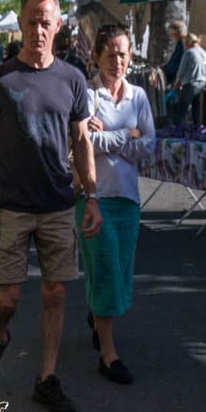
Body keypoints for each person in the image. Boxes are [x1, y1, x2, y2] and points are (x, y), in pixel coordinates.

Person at [0, 0, 102, 412]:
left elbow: (82, 140)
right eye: (31, 20)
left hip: (57, 205)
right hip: (10, 205)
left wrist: (93, 196)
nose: (38, 29)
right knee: (7, 299)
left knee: (56, 295)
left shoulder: (72, 78)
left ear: (58, 26)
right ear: (20, 22)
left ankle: (47, 378)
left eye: (46, 21)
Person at [75, 24, 155, 386]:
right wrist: (127, 134)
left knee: (119, 270)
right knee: (105, 269)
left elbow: (149, 147)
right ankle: (109, 355)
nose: (117, 61)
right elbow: (83, 142)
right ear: (97, 57)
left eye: (123, 54)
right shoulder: (88, 95)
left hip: (128, 197)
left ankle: (97, 317)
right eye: (110, 54)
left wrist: (107, 136)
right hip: (94, 196)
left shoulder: (138, 96)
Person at [171, 32, 206, 128]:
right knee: (196, 108)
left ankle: (177, 129)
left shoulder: (188, 52)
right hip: (202, 83)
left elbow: (182, 69)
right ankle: (197, 128)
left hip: (191, 82)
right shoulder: (203, 52)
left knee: (182, 108)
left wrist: (177, 81)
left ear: (188, 43)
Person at [163, 19, 187, 87]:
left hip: (177, 79)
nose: (171, 36)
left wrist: (166, 71)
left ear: (177, 33)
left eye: (171, 34)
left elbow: (177, 63)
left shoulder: (183, 45)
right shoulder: (180, 44)